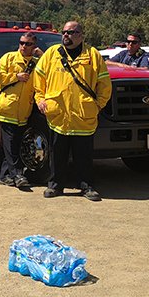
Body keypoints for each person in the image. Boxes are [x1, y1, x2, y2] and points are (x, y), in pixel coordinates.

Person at [34, 21, 112, 201]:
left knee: (83, 155)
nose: (66, 35)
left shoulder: (92, 55)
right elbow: (39, 78)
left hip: (83, 116)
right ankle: (55, 186)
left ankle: (86, 187)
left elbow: (104, 84)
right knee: (56, 154)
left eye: (71, 32)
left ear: (81, 35)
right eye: (64, 32)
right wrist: (40, 99)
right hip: (58, 115)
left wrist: (98, 105)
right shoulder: (52, 54)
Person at [0, 31, 40, 188]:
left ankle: (5, 176)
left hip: (24, 111)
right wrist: (16, 76)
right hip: (8, 108)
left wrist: (41, 54)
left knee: (16, 145)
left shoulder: (38, 63)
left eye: (28, 44)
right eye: (21, 42)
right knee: (10, 144)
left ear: (34, 46)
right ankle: (18, 175)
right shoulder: (8, 58)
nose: (23, 46)